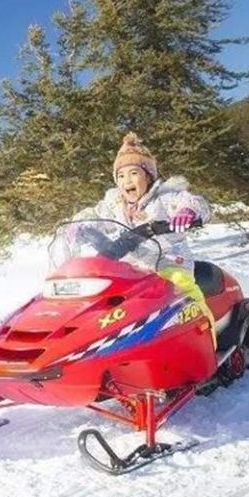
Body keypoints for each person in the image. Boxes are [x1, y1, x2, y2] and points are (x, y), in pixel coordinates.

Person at [74, 132, 215, 344]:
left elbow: (194, 201)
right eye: (120, 176)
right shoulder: (114, 204)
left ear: (148, 176)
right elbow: (94, 215)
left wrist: (188, 211)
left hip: (169, 265)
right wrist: (78, 225)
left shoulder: (165, 198)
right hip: (129, 271)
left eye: (133, 174)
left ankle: (208, 342)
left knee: (187, 297)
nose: (126, 181)